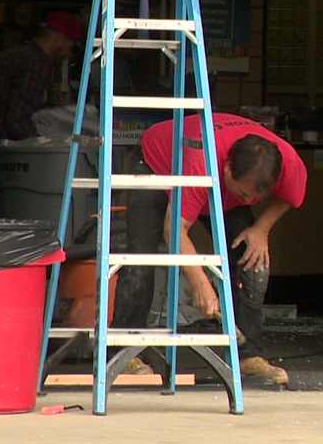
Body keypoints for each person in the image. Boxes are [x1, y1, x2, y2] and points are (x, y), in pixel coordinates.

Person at [116, 112, 307, 386]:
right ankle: (125, 351)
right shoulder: (201, 161)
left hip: (217, 180)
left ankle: (247, 355)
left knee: (251, 257)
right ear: (227, 168)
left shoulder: (287, 161)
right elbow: (175, 230)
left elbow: (291, 196)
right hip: (157, 161)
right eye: (245, 195)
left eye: (256, 198)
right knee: (141, 258)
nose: (250, 201)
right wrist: (200, 283)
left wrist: (260, 230)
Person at [0, 10, 81, 216]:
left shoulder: (14, 56)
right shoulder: (35, 64)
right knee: (7, 224)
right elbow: (17, 120)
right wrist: (44, 151)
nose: (69, 54)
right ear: (59, 38)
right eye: (72, 46)